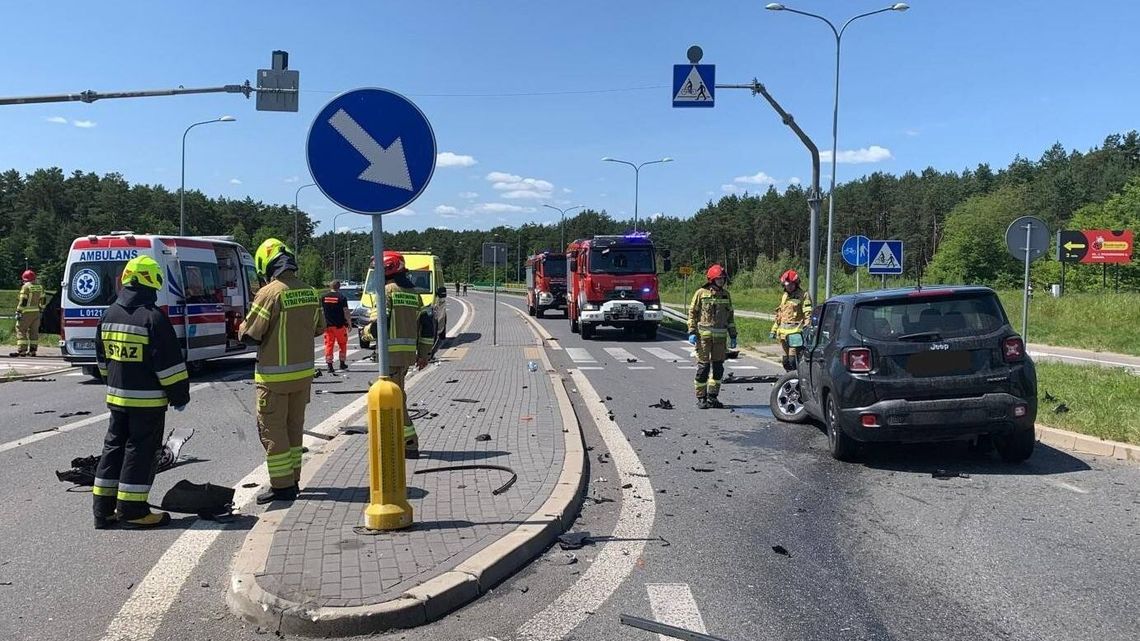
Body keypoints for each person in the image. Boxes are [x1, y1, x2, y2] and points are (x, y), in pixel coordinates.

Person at [92, 256, 190, 529]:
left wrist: (111, 383)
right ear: (151, 280)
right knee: (141, 452)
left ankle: (103, 511)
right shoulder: (153, 318)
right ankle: (133, 511)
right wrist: (180, 396)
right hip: (147, 402)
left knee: (113, 449)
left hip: (117, 398)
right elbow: (170, 366)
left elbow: (102, 360)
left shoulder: (109, 313)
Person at [239, 239, 324, 505]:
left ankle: (282, 486)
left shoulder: (269, 293)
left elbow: (250, 334)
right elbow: (319, 328)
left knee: (273, 432)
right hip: (302, 376)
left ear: (266, 264)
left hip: (273, 378)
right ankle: (294, 479)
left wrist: (240, 326)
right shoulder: (310, 291)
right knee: (294, 429)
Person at [361, 251, 433, 457]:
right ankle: (402, 442)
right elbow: (426, 326)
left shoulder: (386, 292)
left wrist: (364, 334)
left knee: (395, 401)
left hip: (389, 356)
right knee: (398, 397)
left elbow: (378, 326)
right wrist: (424, 354)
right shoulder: (414, 294)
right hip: (407, 355)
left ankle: (409, 444)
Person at [687, 264, 737, 410]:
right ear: (711, 279)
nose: (721, 281)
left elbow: (730, 317)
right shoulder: (701, 293)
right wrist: (691, 331)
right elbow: (692, 313)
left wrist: (733, 335)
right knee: (703, 368)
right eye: (719, 279)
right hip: (703, 339)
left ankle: (712, 397)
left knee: (718, 369)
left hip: (720, 340)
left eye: (723, 279)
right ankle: (701, 398)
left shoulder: (726, 295)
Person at [770, 269, 813, 368]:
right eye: (787, 284)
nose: (789, 287)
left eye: (791, 284)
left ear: (796, 284)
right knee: (786, 362)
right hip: (783, 334)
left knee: (793, 360)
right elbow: (780, 314)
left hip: (796, 333)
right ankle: (789, 379)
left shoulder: (803, 295)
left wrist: (807, 327)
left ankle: (797, 379)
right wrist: (774, 329)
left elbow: (808, 313)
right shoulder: (784, 296)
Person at [11, 269, 45, 357]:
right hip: (36, 312)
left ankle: (22, 350)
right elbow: (43, 299)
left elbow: (23, 300)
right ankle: (33, 351)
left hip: (26, 313)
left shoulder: (26, 287)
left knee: (21, 330)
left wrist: (19, 311)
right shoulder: (40, 287)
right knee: (34, 332)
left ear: (25, 279)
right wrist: (41, 308)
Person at [321, 280, 350, 374]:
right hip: (339, 326)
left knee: (329, 345)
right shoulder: (342, 297)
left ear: (330, 286)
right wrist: (349, 323)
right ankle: (342, 363)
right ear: (339, 287)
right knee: (342, 344)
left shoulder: (324, 297)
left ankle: (329, 366)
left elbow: (321, 311)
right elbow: (346, 311)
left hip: (328, 326)